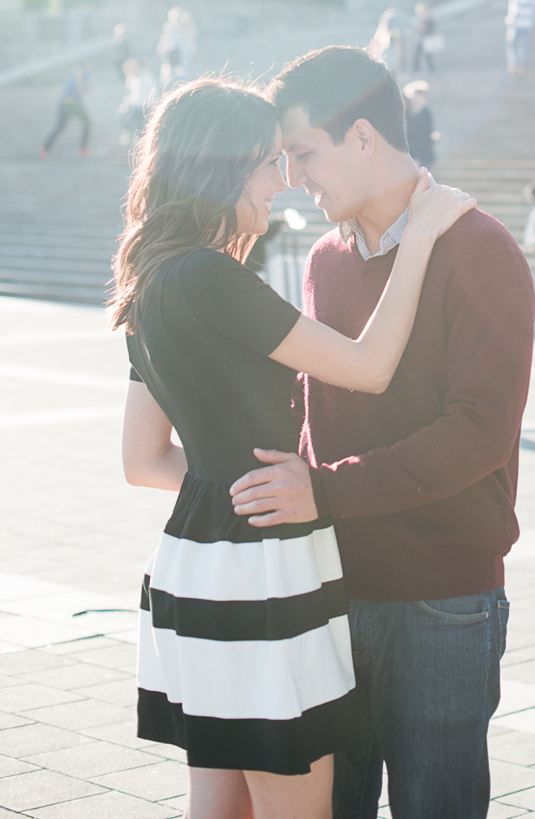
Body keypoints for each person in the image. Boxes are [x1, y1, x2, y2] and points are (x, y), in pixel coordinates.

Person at [114, 76, 474, 815]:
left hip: (192, 567)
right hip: (264, 569)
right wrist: (426, 232)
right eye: (268, 164)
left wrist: (227, 475)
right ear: (222, 165)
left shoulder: (148, 280)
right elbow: (369, 367)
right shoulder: (213, 276)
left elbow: (143, 461)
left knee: (219, 798)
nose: (282, 183)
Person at [226, 46, 531, 819]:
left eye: (304, 152)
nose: (293, 176)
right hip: (332, 589)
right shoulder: (325, 260)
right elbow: (313, 408)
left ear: (362, 136)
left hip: (442, 599)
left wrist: (322, 490)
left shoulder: (482, 249)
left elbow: (478, 433)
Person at [40, 63, 91, 156]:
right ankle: (83, 148)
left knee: (60, 126)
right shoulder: (81, 73)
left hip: (63, 102)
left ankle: (45, 147)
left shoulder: (73, 73)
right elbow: (81, 91)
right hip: (71, 102)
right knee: (87, 122)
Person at [116, 57, 160, 147]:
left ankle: (141, 143)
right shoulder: (133, 79)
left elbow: (152, 93)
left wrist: (153, 106)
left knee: (139, 125)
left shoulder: (147, 77)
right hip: (135, 106)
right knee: (128, 121)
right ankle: (131, 138)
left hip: (145, 106)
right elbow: (130, 95)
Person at [504, 0, 535, 76]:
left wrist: (510, 19)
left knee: (512, 44)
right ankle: (522, 65)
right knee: (524, 44)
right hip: (527, 24)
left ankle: (513, 63)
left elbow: (516, 11)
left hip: (517, 24)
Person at [158, 8, 197, 89]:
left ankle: (181, 84)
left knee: (182, 69)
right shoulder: (168, 27)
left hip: (181, 51)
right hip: (171, 50)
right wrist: (162, 48)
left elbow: (191, 40)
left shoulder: (186, 27)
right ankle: (167, 85)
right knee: (169, 68)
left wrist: (193, 50)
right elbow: (165, 38)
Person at [401, 80, 436, 170]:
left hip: (422, 157)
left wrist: (417, 156)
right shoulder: (416, 113)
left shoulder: (425, 114)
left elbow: (422, 137)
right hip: (418, 156)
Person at [366, 10, 402, 75]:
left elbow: (373, 47)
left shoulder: (382, 34)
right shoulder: (383, 34)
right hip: (387, 61)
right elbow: (398, 50)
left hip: (386, 61)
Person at [408, 3, 439, 74]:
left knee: (428, 56)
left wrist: (424, 29)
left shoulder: (430, 21)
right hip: (421, 40)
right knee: (417, 54)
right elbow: (417, 30)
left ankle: (432, 69)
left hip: (428, 40)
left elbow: (432, 30)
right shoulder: (421, 20)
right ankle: (416, 69)